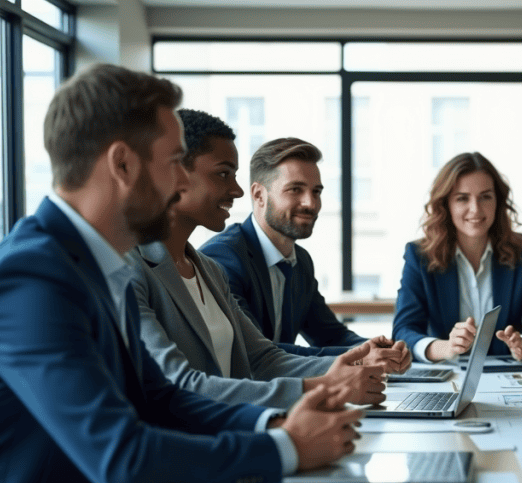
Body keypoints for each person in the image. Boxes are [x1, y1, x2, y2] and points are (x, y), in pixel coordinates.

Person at [0, 64, 362, 483]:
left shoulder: (102, 262)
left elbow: (163, 399)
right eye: (174, 161)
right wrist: (283, 448)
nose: (180, 181)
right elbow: (122, 458)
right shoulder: (30, 278)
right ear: (123, 164)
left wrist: (276, 421)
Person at [131, 109, 393, 409]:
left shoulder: (208, 270)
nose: (237, 189)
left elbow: (262, 359)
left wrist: (353, 363)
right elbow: (178, 384)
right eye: (223, 173)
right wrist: (323, 387)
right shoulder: (128, 269)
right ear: (174, 172)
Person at [199, 138, 410, 371]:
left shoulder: (300, 261)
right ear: (259, 195)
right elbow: (258, 353)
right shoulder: (222, 260)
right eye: (295, 190)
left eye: (316, 191)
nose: (310, 203)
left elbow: (329, 335)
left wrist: (378, 350)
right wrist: (360, 357)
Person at [392, 152, 522, 362]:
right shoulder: (420, 256)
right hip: (448, 374)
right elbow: (403, 332)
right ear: (446, 205)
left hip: (509, 373)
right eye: (462, 198)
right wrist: (445, 347)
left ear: (498, 201)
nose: (476, 209)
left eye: (485, 197)